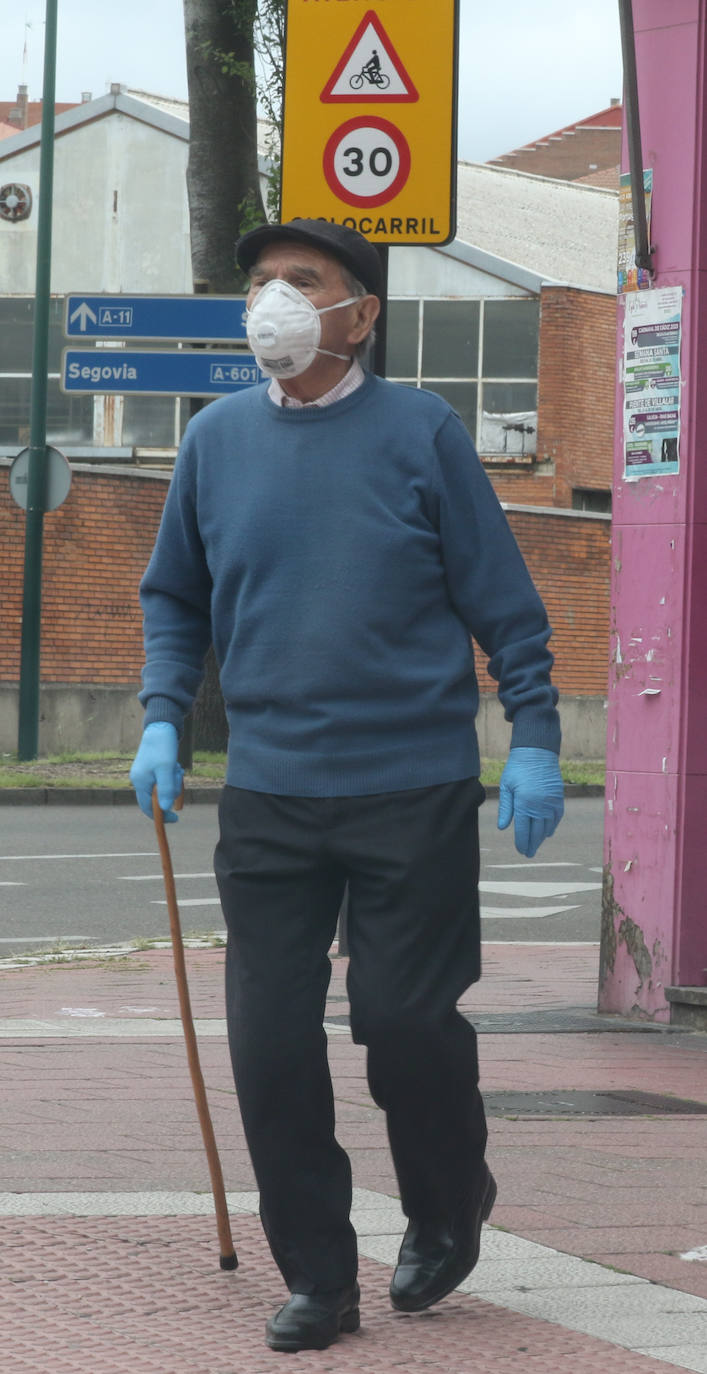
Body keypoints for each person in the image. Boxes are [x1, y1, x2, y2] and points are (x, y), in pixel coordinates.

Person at [129, 218, 564, 1354]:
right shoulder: (214, 440)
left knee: (403, 1023)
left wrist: (531, 733)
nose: (272, 298)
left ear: (358, 311)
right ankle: (319, 1276)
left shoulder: (420, 430)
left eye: (301, 282)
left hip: (409, 787)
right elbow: (173, 594)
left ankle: (444, 1200)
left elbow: (502, 601)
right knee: (268, 1045)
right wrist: (163, 719)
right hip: (270, 794)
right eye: (262, 281)